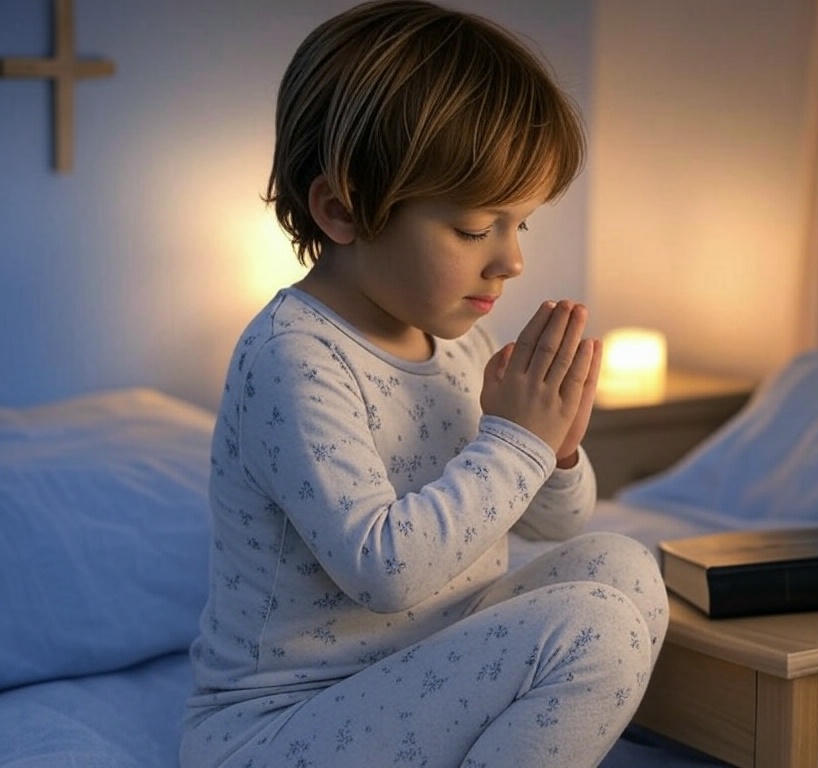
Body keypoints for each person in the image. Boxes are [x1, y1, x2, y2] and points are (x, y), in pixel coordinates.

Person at [179, 2, 668, 766]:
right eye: (477, 229)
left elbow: (557, 527)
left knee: (622, 565)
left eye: (521, 225)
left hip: (415, 672)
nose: (510, 260)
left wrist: (556, 451)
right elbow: (385, 570)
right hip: (281, 726)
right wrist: (514, 442)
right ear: (342, 210)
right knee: (592, 628)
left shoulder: (462, 340)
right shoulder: (293, 355)